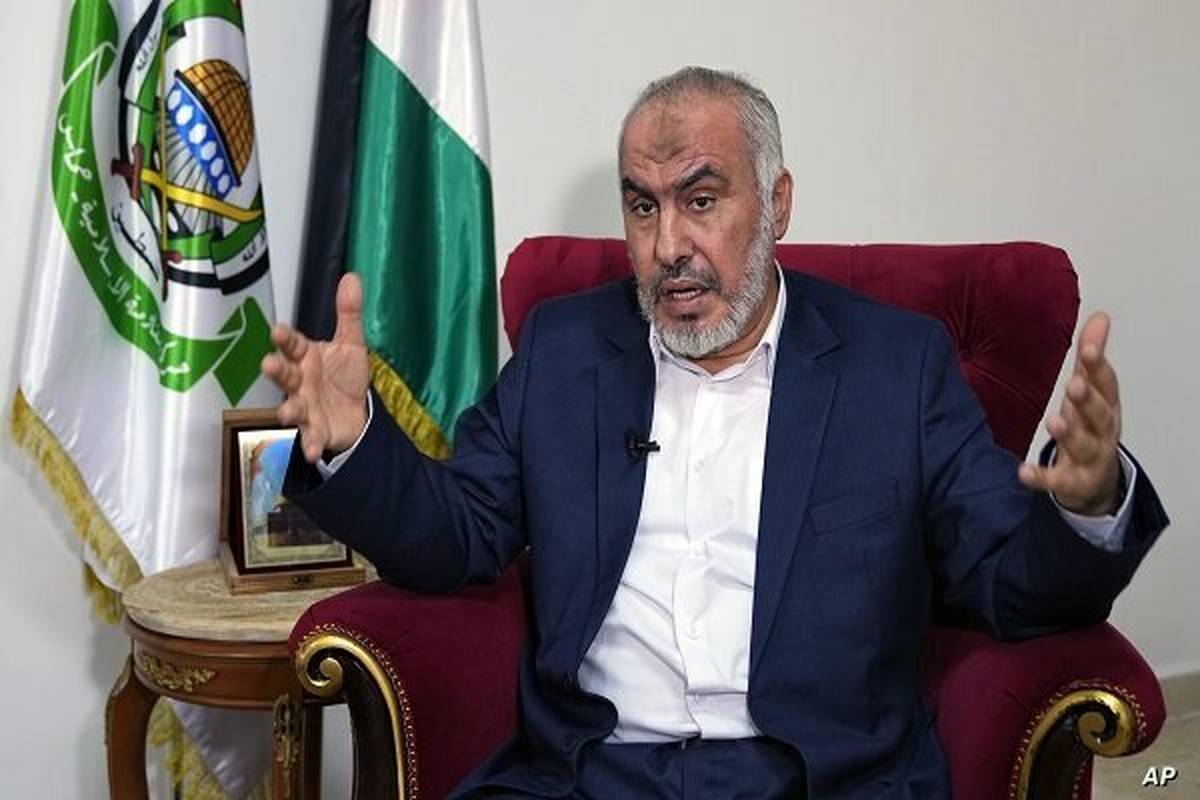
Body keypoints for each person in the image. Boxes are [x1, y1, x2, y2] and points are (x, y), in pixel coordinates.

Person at [262, 67, 1168, 798]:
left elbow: (1005, 576)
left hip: (818, 778)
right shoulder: (565, 352)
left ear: (776, 203)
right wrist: (355, 442)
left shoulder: (896, 368)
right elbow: (458, 533)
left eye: (700, 200)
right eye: (643, 206)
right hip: (589, 774)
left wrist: (1090, 503)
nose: (667, 247)